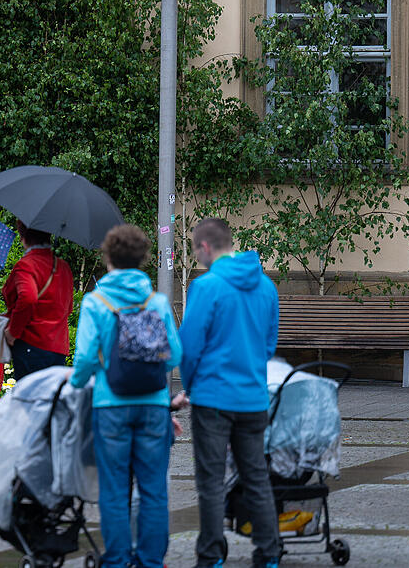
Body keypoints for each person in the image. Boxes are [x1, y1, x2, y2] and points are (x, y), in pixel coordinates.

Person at [69, 225, 182, 568]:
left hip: (110, 406)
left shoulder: (96, 302)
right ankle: (150, 560)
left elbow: (87, 358)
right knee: (153, 491)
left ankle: (117, 559)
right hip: (154, 406)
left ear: (107, 258)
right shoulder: (157, 302)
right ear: (144, 258)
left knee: (115, 491)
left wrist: (76, 384)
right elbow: (175, 355)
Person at [179, 218, 281, 568]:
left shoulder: (205, 287)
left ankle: (210, 557)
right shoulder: (266, 286)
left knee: (210, 482)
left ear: (205, 246)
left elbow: (189, 348)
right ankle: (268, 553)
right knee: (256, 477)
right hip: (253, 398)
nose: (197, 257)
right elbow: (268, 345)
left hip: (212, 397)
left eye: (195, 250)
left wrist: (192, 386)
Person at [1, 221, 74, 380]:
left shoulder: (26, 265)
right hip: (58, 348)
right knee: (50, 401)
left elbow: (27, 298)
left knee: (30, 401)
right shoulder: (63, 267)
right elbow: (68, 308)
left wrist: (13, 331)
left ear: (23, 237)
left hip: (31, 345)